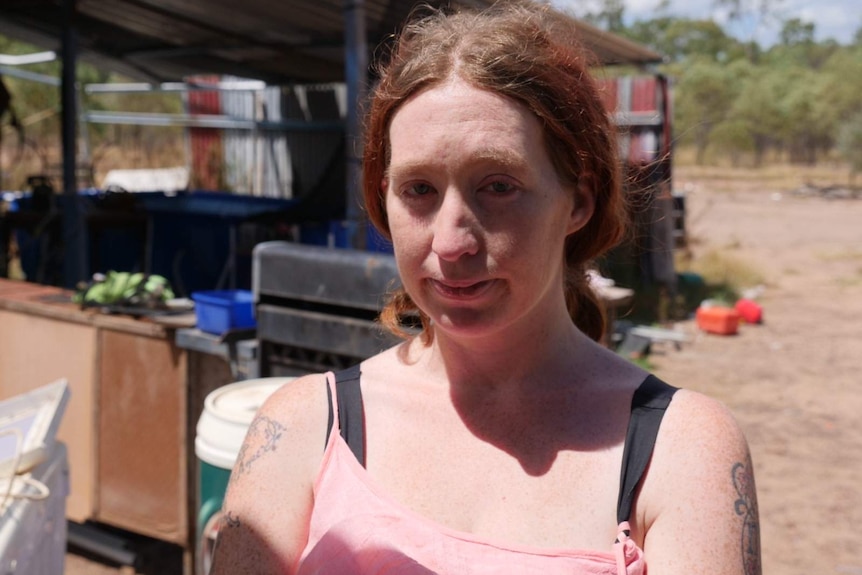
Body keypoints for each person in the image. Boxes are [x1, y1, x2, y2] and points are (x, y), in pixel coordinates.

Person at [210, 2, 761, 574]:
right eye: (418, 189)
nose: (452, 243)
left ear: (578, 200)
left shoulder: (681, 449)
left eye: (498, 186)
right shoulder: (303, 429)